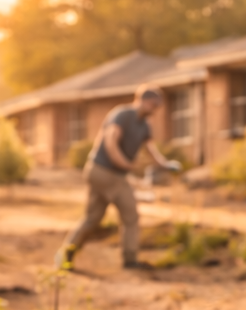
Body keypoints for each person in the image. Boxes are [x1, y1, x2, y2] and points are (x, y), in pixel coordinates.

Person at [58, 88, 180, 270]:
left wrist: (165, 164)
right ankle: (130, 260)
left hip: (108, 173)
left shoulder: (144, 125)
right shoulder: (122, 115)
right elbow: (110, 142)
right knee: (131, 215)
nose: (156, 109)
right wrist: (127, 165)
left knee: (92, 219)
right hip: (104, 171)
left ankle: (65, 256)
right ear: (143, 100)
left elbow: (150, 150)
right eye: (154, 104)